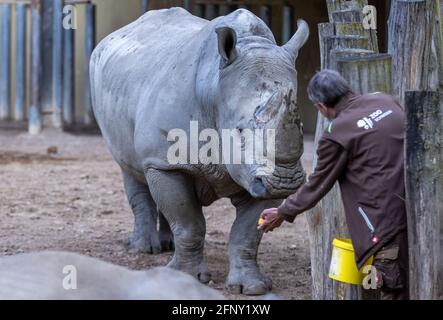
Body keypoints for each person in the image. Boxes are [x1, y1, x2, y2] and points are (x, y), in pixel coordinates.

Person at [259, 70, 409, 300]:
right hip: (417, 211)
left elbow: (319, 183)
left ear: (321, 106)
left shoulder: (337, 133)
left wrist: (282, 211)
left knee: (393, 289)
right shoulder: (386, 100)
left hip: (385, 225)